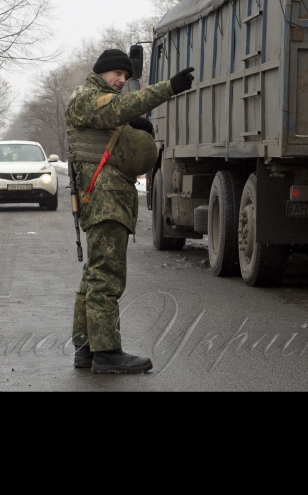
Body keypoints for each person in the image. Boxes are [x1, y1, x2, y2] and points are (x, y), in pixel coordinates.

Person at [66, 48, 194, 374]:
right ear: (101, 72)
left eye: (126, 75)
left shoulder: (98, 102)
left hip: (107, 198)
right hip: (104, 200)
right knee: (106, 278)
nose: (122, 80)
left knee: (94, 276)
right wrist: (169, 88)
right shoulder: (88, 98)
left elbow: (116, 118)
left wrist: (134, 126)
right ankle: (108, 352)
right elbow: (120, 107)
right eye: (117, 74)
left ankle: (87, 348)